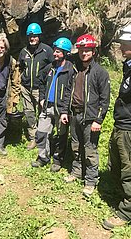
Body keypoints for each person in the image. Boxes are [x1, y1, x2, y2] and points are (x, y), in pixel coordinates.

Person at [60, 34, 110, 198]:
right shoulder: (75, 69)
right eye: (81, 50)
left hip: (91, 118)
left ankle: (90, 180)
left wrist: (98, 119)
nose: (84, 53)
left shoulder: (100, 72)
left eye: (87, 50)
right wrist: (64, 111)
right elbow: (68, 92)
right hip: (75, 115)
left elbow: (105, 99)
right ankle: (76, 172)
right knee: (76, 146)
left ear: (93, 52)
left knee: (90, 150)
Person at [103, 24, 131, 229]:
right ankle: (119, 196)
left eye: (124, 43)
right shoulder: (128, 65)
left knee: (128, 168)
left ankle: (126, 212)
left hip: (129, 128)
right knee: (116, 163)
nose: (120, 47)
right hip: (120, 124)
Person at [31, 37, 73, 172]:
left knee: (61, 136)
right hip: (47, 106)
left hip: (61, 109)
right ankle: (42, 157)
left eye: (58, 52)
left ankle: (57, 160)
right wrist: (42, 98)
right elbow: (41, 82)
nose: (55, 54)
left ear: (65, 53)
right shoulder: (50, 67)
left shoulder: (70, 70)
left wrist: (65, 110)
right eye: (55, 51)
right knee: (42, 132)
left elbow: (70, 92)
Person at [18, 23, 54, 150]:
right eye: (30, 36)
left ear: (39, 36)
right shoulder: (24, 51)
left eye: (35, 36)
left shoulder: (47, 50)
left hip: (41, 88)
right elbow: (20, 67)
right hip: (26, 88)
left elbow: (53, 67)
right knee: (29, 113)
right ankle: (33, 138)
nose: (32, 38)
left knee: (43, 113)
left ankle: (43, 137)